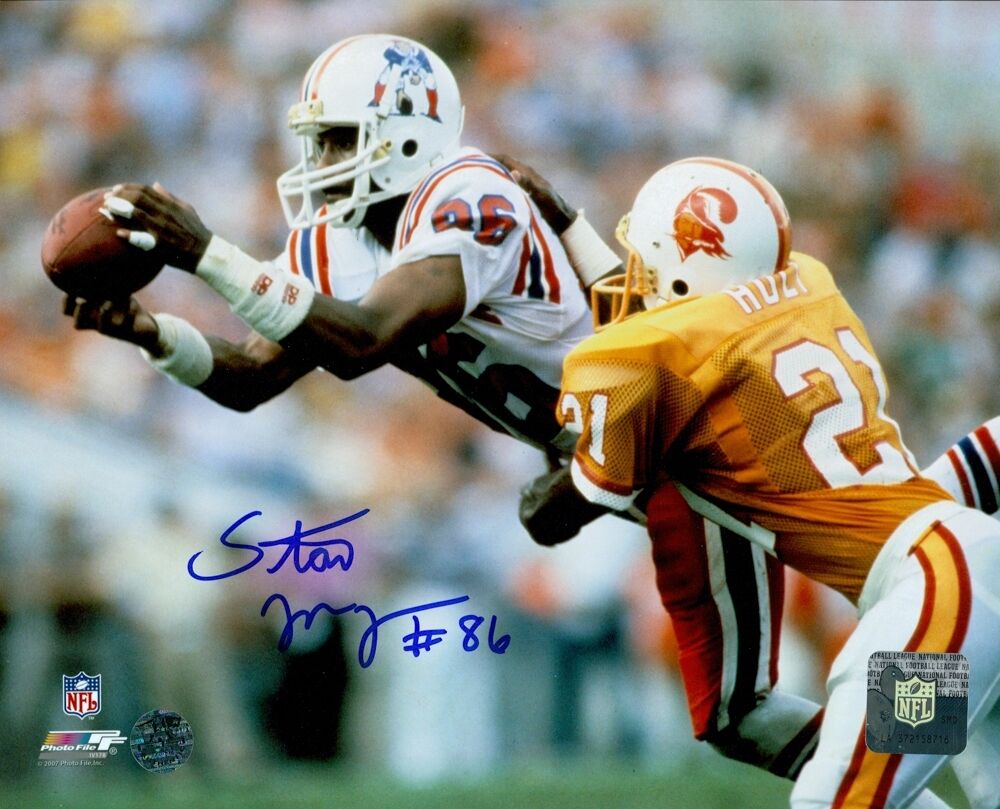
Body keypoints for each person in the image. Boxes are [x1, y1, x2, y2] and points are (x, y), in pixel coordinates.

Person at [62, 34, 999, 797]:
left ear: (408, 135)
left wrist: (209, 253)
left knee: (850, 783)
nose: (322, 164)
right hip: (940, 573)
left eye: (342, 140)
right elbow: (251, 376)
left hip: (919, 584)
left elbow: (379, 352)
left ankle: (893, 767)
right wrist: (154, 333)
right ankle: (900, 765)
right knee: (789, 734)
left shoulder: (473, 204)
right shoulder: (790, 314)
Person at [544, 155, 1000, 809]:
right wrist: (571, 226)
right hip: (963, 574)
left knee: (842, 801)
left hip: (940, 598)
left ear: (684, 268)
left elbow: (578, 498)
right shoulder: (806, 284)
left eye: (645, 264)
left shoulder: (665, 353)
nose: (634, 282)